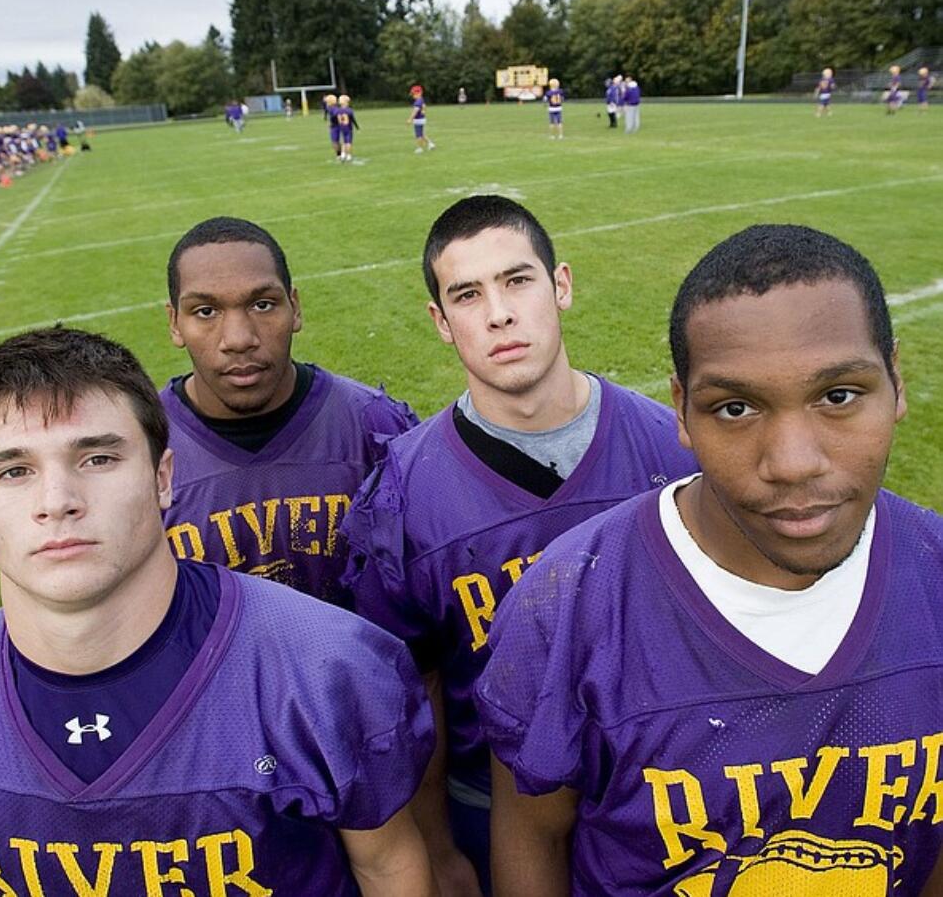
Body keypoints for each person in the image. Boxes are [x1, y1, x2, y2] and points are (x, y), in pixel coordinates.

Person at [0, 326, 439, 897]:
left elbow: (389, 869)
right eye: (13, 471)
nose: (57, 501)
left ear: (163, 477)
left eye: (98, 459)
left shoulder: (321, 668)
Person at [479, 224, 943, 896]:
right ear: (682, 411)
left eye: (838, 396)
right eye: (735, 407)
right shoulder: (572, 602)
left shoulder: (932, 576)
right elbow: (532, 834)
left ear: (896, 382)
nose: (791, 462)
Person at [341, 195, 698, 896]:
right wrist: (439, 846)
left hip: (657, 795)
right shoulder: (405, 493)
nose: (499, 313)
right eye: (468, 294)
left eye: (517, 280)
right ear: (441, 323)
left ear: (560, 284)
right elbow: (415, 691)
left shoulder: (672, 448)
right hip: (486, 800)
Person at [162, 217, 418, 606]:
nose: (239, 339)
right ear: (174, 323)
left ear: (294, 308)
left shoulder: (376, 427)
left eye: (263, 305)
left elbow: (426, 604)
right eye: (205, 312)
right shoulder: (141, 447)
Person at [409, 84, 436, 154]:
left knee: (418, 135)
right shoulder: (421, 100)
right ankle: (431, 144)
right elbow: (424, 106)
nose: (413, 96)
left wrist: (410, 119)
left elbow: (415, 111)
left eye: (414, 94)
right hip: (422, 119)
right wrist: (423, 110)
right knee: (422, 134)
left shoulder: (417, 102)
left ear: (419, 93)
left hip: (418, 120)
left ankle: (419, 148)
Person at [336, 94, 359, 162]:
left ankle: (343, 154)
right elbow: (352, 119)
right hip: (348, 128)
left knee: (343, 141)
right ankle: (348, 155)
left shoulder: (338, 110)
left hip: (341, 128)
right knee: (348, 142)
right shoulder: (349, 110)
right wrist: (357, 127)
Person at [324, 92, 342, 159]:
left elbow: (337, 115)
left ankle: (339, 154)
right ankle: (340, 153)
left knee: (334, 141)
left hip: (335, 125)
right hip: (335, 125)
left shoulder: (332, 108)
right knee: (337, 141)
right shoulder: (332, 108)